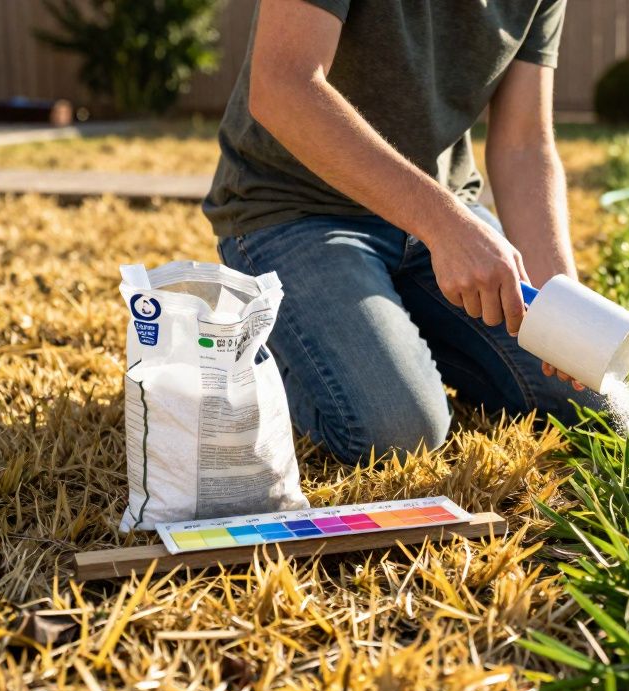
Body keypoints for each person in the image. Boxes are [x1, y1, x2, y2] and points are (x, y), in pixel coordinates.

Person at [203, 0, 600, 463]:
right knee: (398, 433)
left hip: (442, 221)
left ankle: (392, 333)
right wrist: (445, 223)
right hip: (294, 210)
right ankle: (267, 338)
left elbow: (524, 144)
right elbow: (282, 85)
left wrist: (562, 303)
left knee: (588, 396)